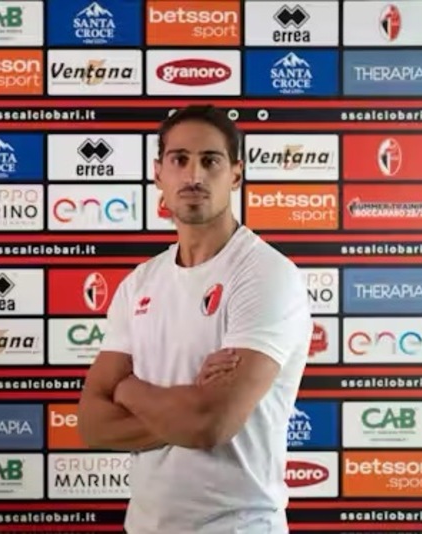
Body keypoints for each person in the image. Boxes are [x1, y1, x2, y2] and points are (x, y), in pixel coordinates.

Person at [76, 104, 313, 534]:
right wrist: (185, 411)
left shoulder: (266, 274)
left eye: (210, 161)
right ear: (158, 173)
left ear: (236, 175)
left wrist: (127, 389)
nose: (194, 176)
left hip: (238, 526)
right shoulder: (140, 283)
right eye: (179, 160)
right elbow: (92, 424)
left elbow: (209, 425)